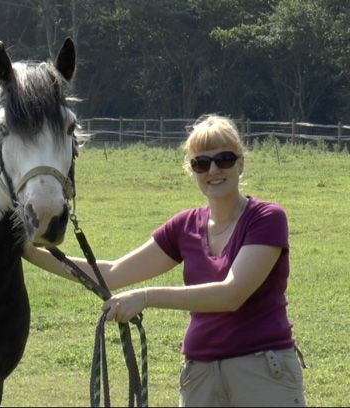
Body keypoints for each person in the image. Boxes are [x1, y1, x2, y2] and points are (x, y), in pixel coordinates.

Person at [23, 114, 306, 407]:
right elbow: (111, 273)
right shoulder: (185, 226)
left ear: (241, 162)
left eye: (224, 159)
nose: (213, 170)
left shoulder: (267, 218)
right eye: (201, 163)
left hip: (261, 372)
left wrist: (146, 297)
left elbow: (232, 294)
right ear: (191, 170)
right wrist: (30, 252)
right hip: (200, 375)